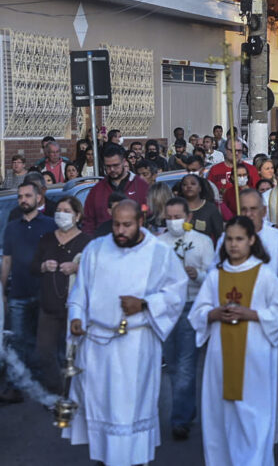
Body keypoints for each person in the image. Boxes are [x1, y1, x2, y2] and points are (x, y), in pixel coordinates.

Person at [65, 200, 188, 466]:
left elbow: (176, 293)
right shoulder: (96, 249)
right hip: (97, 345)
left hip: (136, 345)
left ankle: (134, 461)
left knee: (131, 411)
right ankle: (103, 460)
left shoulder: (159, 253)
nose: (120, 231)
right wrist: (76, 316)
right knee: (103, 409)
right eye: (116, 224)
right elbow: (80, 291)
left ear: (141, 223)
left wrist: (144, 303)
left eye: (127, 225)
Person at [189, 216, 278, 466]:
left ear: (251, 240)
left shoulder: (264, 275)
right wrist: (214, 313)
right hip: (220, 359)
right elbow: (198, 313)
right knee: (221, 416)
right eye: (230, 239)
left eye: (240, 239)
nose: (234, 245)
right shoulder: (215, 276)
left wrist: (251, 314)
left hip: (254, 358)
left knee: (253, 418)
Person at [158, 197, 215, 440]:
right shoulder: (158, 244)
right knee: (172, 364)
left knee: (185, 365)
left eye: (177, 217)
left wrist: (198, 274)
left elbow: (213, 277)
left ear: (188, 217)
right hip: (166, 308)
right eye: (169, 218)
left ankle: (180, 419)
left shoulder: (201, 242)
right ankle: (185, 409)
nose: (173, 222)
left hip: (191, 305)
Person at [0, 181, 58, 403]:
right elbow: (7, 261)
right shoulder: (12, 227)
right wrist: (3, 292)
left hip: (45, 294)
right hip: (19, 295)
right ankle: (15, 387)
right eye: (20, 196)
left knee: (46, 343)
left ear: (38, 198)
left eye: (27, 196)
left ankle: (51, 386)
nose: (23, 200)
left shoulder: (51, 225)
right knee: (18, 342)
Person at [31, 196, 90, 394]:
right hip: (49, 305)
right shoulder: (47, 238)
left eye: (67, 211)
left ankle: (75, 393)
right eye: (59, 211)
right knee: (44, 352)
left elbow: (95, 270)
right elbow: (33, 266)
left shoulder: (86, 241)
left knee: (74, 353)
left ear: (77, 215)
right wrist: (43, 266)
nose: (61, 215)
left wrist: (76, 267)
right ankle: (57, 391)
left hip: (74, 307)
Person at [81, 145, 149, 235]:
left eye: (115, 165)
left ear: (124, 162)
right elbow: (88, 224)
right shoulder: (96, 191)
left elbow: (149, 217)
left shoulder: (141, 186)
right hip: (104, 244)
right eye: (108, 166)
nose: (112, 169)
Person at [178, 174, 224, 241]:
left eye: (193, 184)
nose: (189, 186)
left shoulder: (211, 208)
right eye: (184, 185)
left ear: (200, 188)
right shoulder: (177, 208)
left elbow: (219, 234)